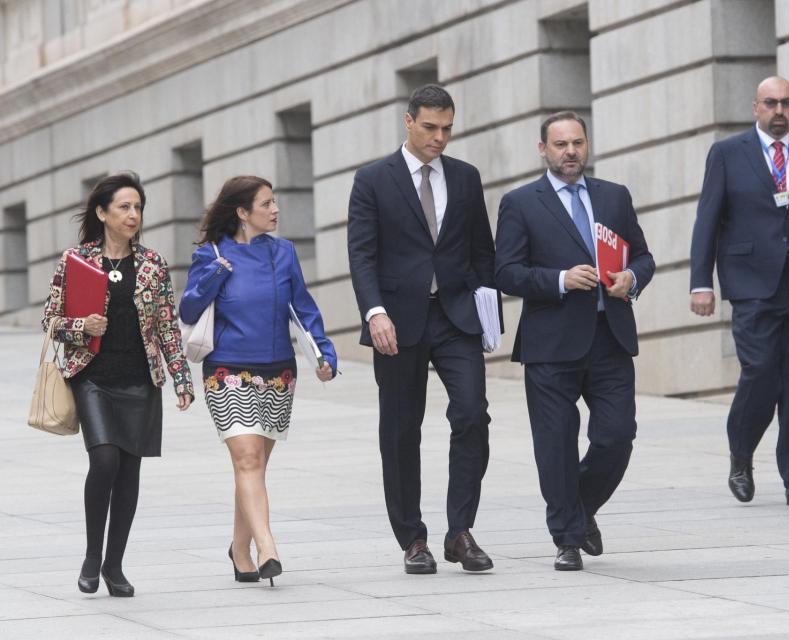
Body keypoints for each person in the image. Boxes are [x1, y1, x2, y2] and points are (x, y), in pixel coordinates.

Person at [347, 85, 498, 574]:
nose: (440, 137)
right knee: (399, 430)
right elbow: (362, 254)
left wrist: (487, 308)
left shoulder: (466, 177)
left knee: (473, 413)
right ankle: (412, 538)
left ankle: (460, 532)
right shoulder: (373, 180)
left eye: (447, 128)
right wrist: (374, 312)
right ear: (407, 121)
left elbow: (482, 253)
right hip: (397, 320)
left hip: (455, 316)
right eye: (430, 127)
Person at [494, 111, 655, 571]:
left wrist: (631, 277)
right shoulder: (521, 203)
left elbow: (642, 256)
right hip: (551, 343)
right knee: (555, 444)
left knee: (617, 435)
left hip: (610, 338)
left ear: (586, 146)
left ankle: (579, 509)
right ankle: (566, 537)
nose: (571, 152)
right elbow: (505, 272)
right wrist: (560, 279)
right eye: (560, 144)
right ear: (543, 149)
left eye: (577, 143)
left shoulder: (614, 197)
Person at [689, 76, 789, 507]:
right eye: (770, 103)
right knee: (760, 371)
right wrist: (701, 281)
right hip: (751, 284)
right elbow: (708, 218)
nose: (779, 111)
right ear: (755, 107)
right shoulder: (727, 154)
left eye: (786, 103)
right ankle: (741, 453)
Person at [42, 172, 194, 597]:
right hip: (93, 378)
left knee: (129, 474)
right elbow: (50, 320)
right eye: (124, 207)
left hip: (140, 381)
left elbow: (167, 326)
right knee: (105, 460)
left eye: (138, 207)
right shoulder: (77, 260)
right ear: (102, 212)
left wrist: (181, 378)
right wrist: (80, 325)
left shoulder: (152, 264)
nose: (133, 215)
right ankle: (92, 554)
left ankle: (114, 565)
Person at [180, 175, 336, 587]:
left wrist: (325, 354)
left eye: (274, 201)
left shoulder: (283, 253)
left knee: (252, 466)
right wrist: (214, 275)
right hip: (227, 370)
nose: (275, 209)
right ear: (242, 212)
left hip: (278, 373)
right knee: (247, 460)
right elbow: (190, 307)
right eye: (266, 204)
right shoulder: (211, 254)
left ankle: (239, 547)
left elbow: (303, 308)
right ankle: (267, 546)